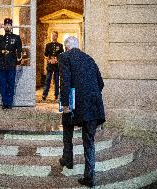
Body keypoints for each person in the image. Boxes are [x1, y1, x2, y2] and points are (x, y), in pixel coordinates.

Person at [58, 36, 105, 188]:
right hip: (93, 104)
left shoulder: (64, 57)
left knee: (67, 124)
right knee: (89, 141)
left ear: (66, 47)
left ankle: (68, 159)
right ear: (78, 46)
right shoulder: (89, 58)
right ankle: (89, 176)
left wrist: (65, 104)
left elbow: (65, 81)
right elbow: (101, 83)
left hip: (76, 102)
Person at [42, 31, 64, 101]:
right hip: (50, 65)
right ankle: (44, 95)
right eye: (52, 35)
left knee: (57, 80)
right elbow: (45, 55)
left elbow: (62, 55)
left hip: (57, 65)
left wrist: (57, 59)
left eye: (55, 35)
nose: (53, 37)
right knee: (47, 80)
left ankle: (56, 95)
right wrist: (49, 60)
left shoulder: (60, 45)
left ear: (57, 36)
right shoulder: (48, 45)